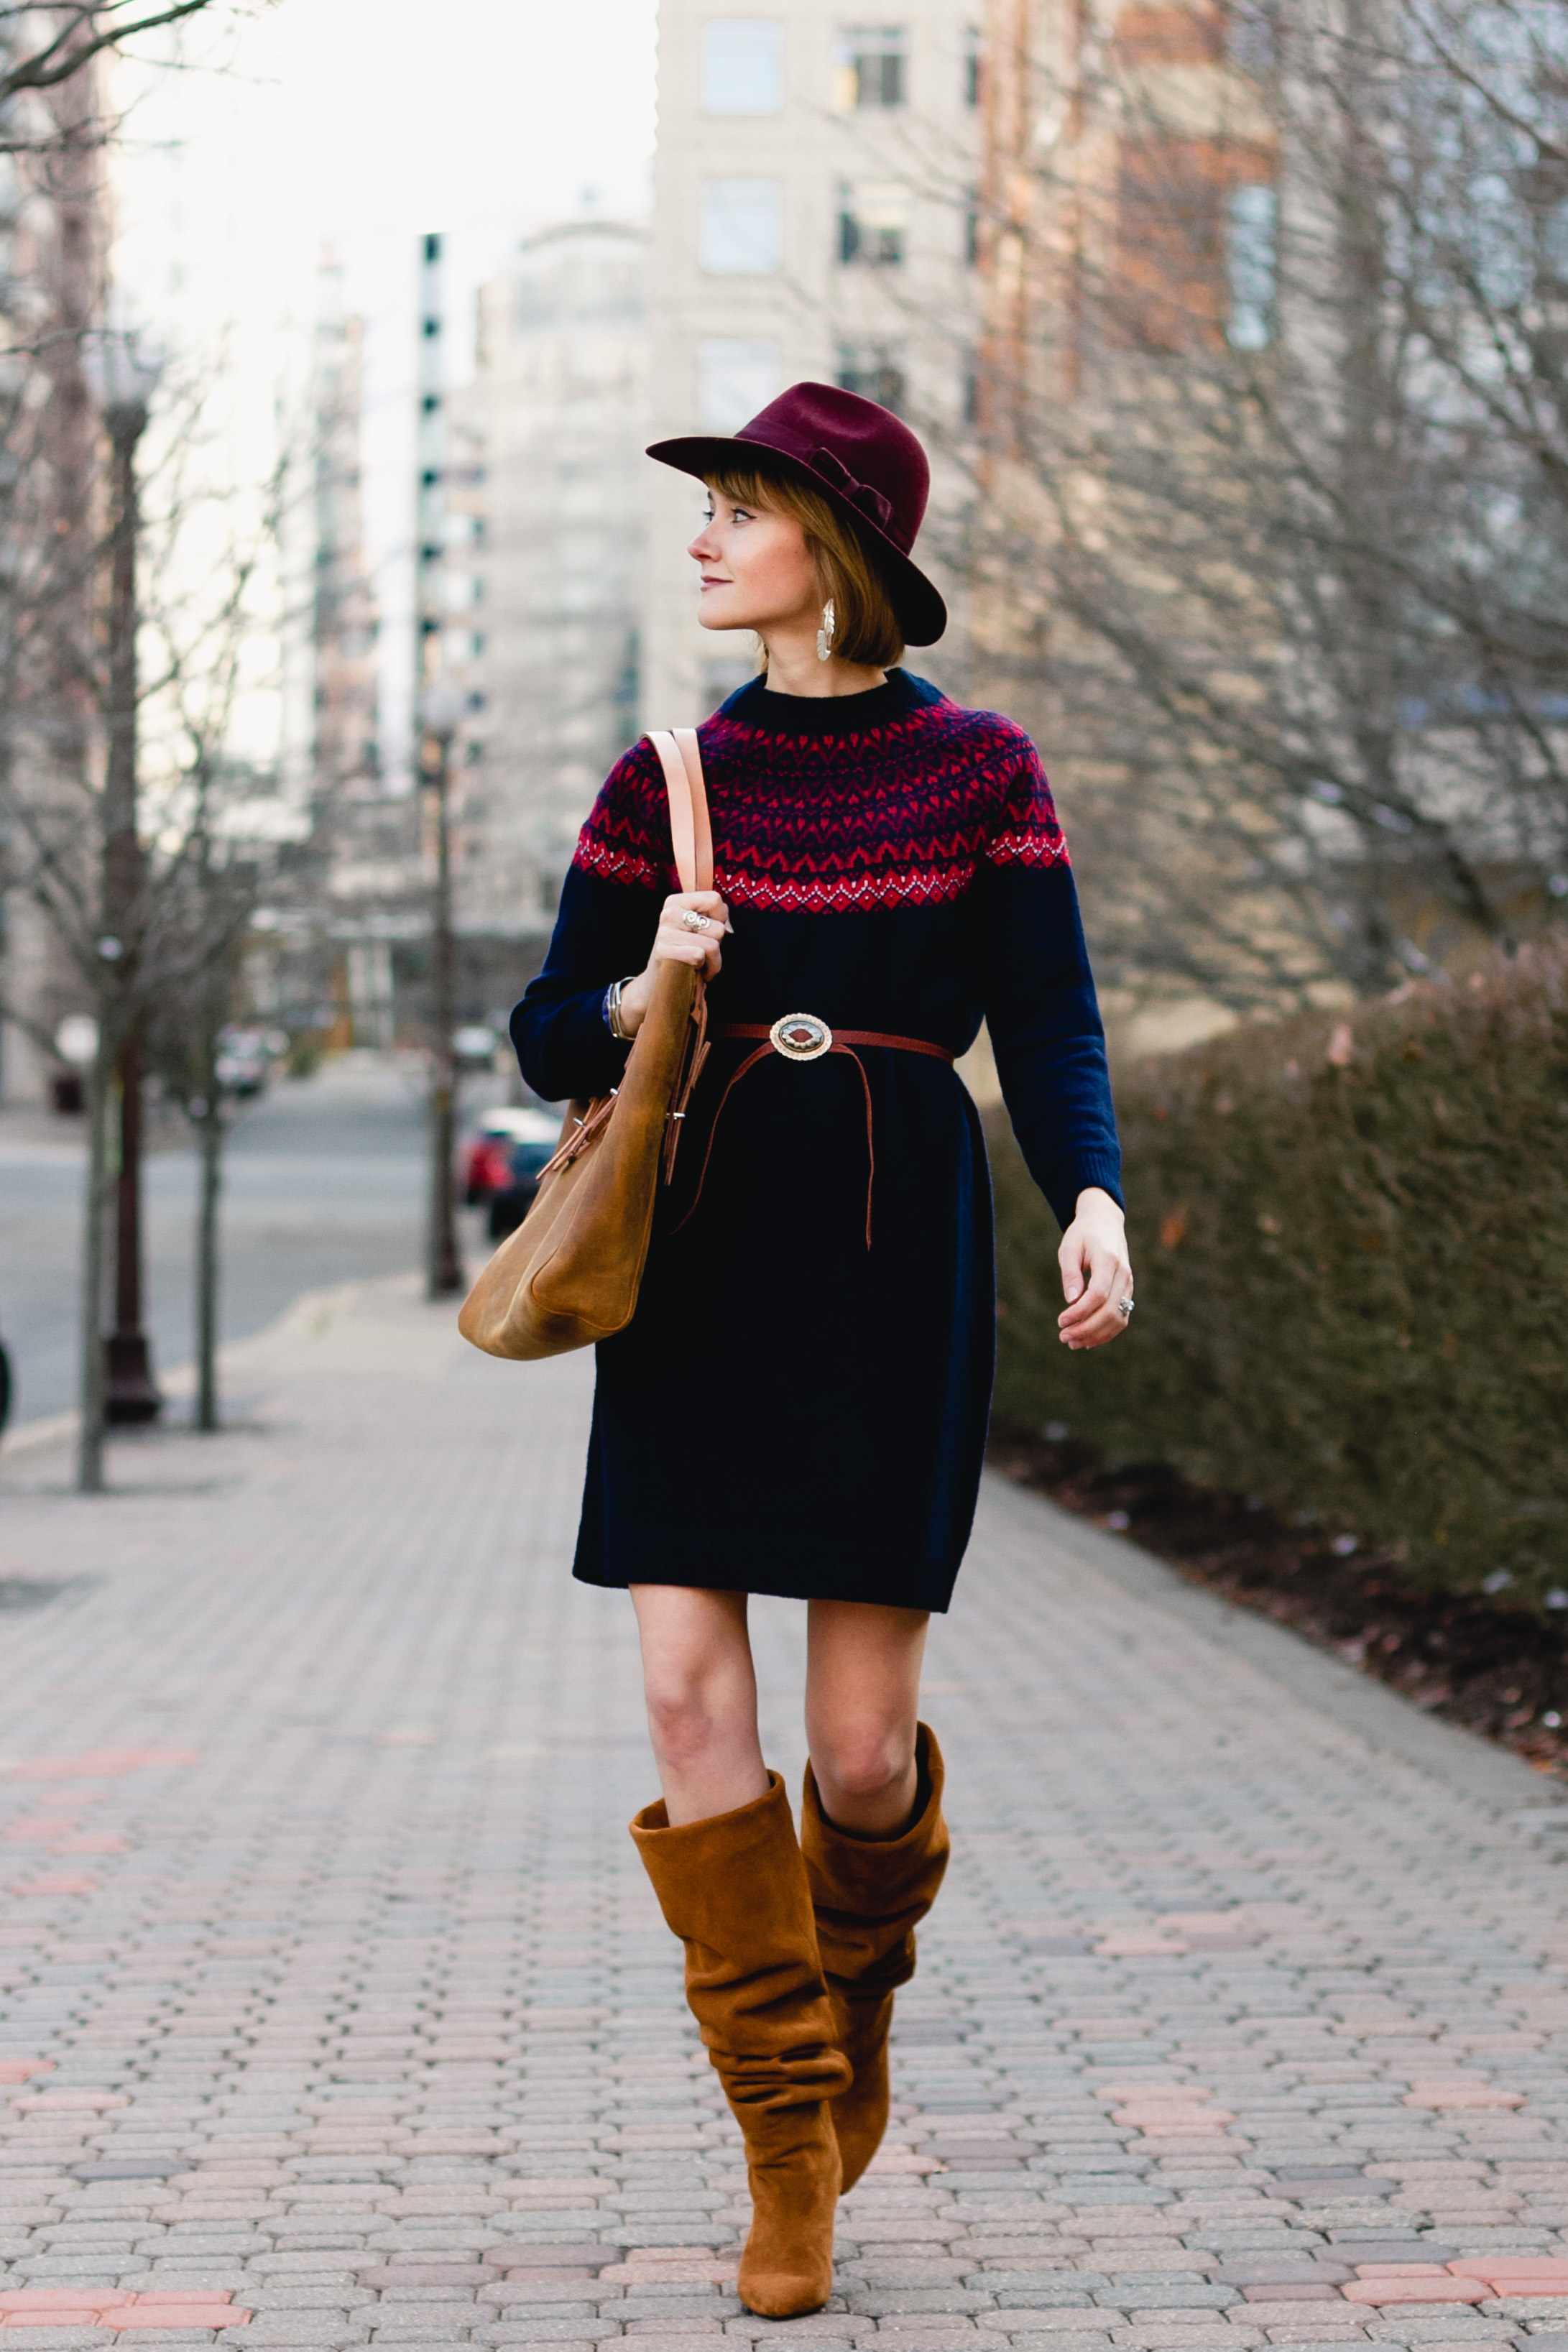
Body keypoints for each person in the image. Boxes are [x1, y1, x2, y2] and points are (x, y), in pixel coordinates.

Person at [512, 383, 1133, 2318]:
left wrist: (1094, 1193)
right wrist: (646, 974)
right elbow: (548, 1028)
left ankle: (851, 2005)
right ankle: (787, 2136)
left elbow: (1053, 1015)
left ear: (831, 542)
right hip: (696, 1246)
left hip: (892, 1243)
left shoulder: (982, 769)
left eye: (736, 508)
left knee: (861, 1754)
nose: (702, 538)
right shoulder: (665, 780)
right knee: (699, 1708)